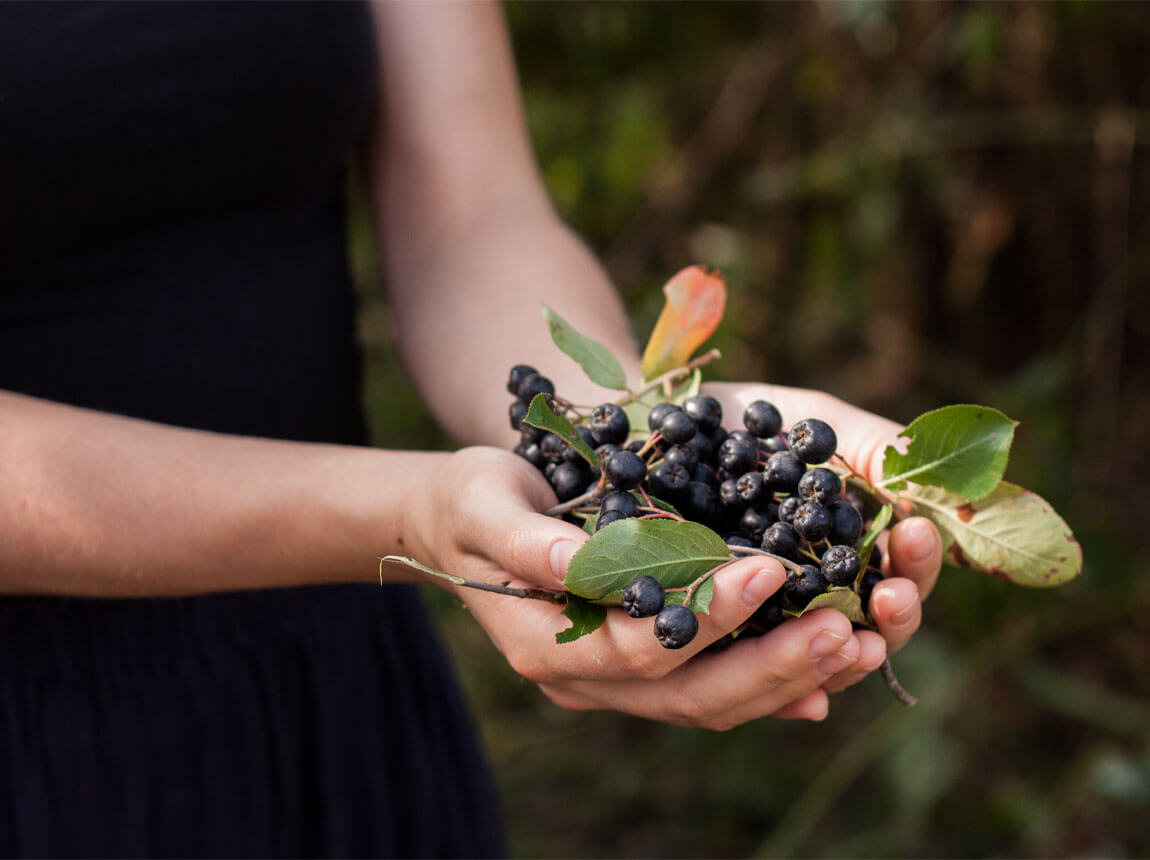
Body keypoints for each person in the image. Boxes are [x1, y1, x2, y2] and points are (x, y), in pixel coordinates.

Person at [0, 1, 943, 856]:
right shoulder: (392, 519)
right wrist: (402, 515)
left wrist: (613, 439)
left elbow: (470, 214)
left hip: (332, 666)